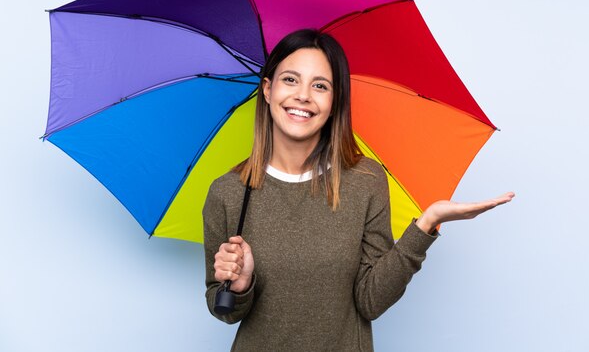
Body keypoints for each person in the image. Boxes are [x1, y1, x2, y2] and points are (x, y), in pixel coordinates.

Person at [202, 29, 514, 351]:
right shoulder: (227, 193)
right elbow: (221, 306)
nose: (303, 96)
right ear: (268, 89)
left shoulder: (364, 180)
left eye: (320, 85)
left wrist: (426, 224)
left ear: (335, 101)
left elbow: (370, 301)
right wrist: (240, 286)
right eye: (291, 80)